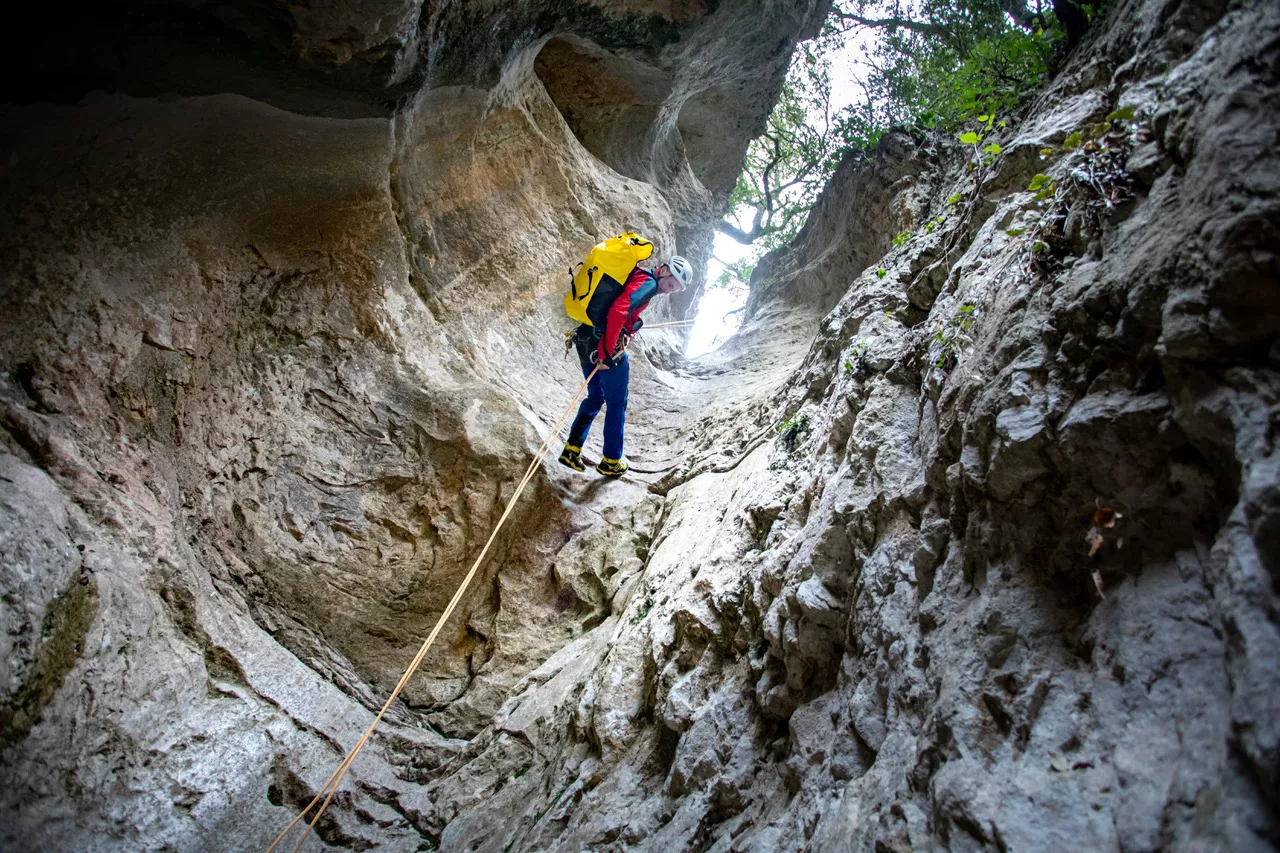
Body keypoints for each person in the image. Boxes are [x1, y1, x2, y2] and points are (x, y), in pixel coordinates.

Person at [558, 255, 693, 476]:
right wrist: (606, 353)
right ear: (664, 270)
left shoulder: (638, 275)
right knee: (617, 403)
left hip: (585, 339)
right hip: (601, 347)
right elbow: (619, 310)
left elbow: (625, 311)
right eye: (670, 285)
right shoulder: (649, 283)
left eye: (673, 290)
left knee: (595, 397)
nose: (667, 291)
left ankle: (571, 450)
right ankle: (611, 460)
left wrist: (628, 332)